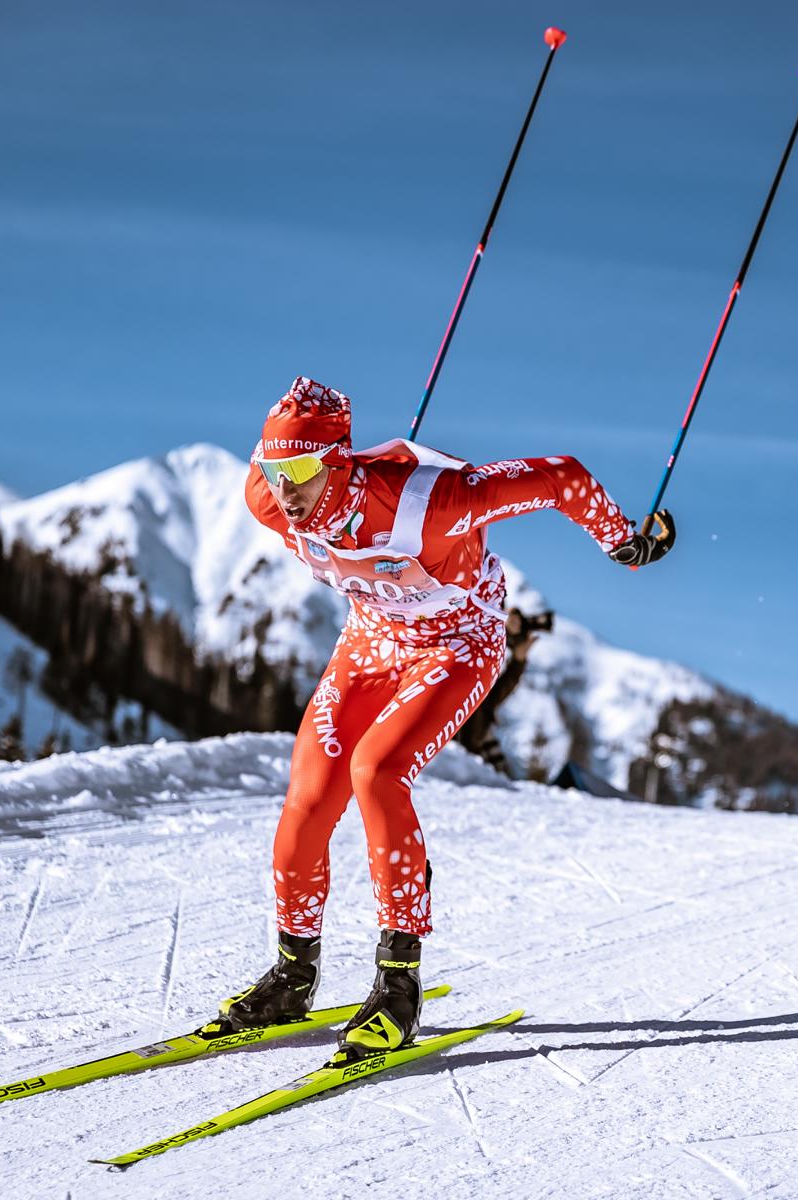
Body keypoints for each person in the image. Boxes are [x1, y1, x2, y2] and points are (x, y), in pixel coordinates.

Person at [216, 377, 674, 1059]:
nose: (286, 490)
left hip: (459, 643)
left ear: (338, 462)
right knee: (308, 797)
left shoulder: (428, 508)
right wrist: (285, 462)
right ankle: (293, 975)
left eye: (304, 470)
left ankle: (398, 985)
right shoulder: (270, 500)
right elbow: (279, 473)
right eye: (276, 469)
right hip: (372, 642)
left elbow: (561, 476)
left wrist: (622, 542)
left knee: (377, 772)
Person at [456, 606, 555, 776]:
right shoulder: (465, 642)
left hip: (468, 748)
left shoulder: (480, 696)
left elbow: (492, 698)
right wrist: (500, 629)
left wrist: (518, 660)